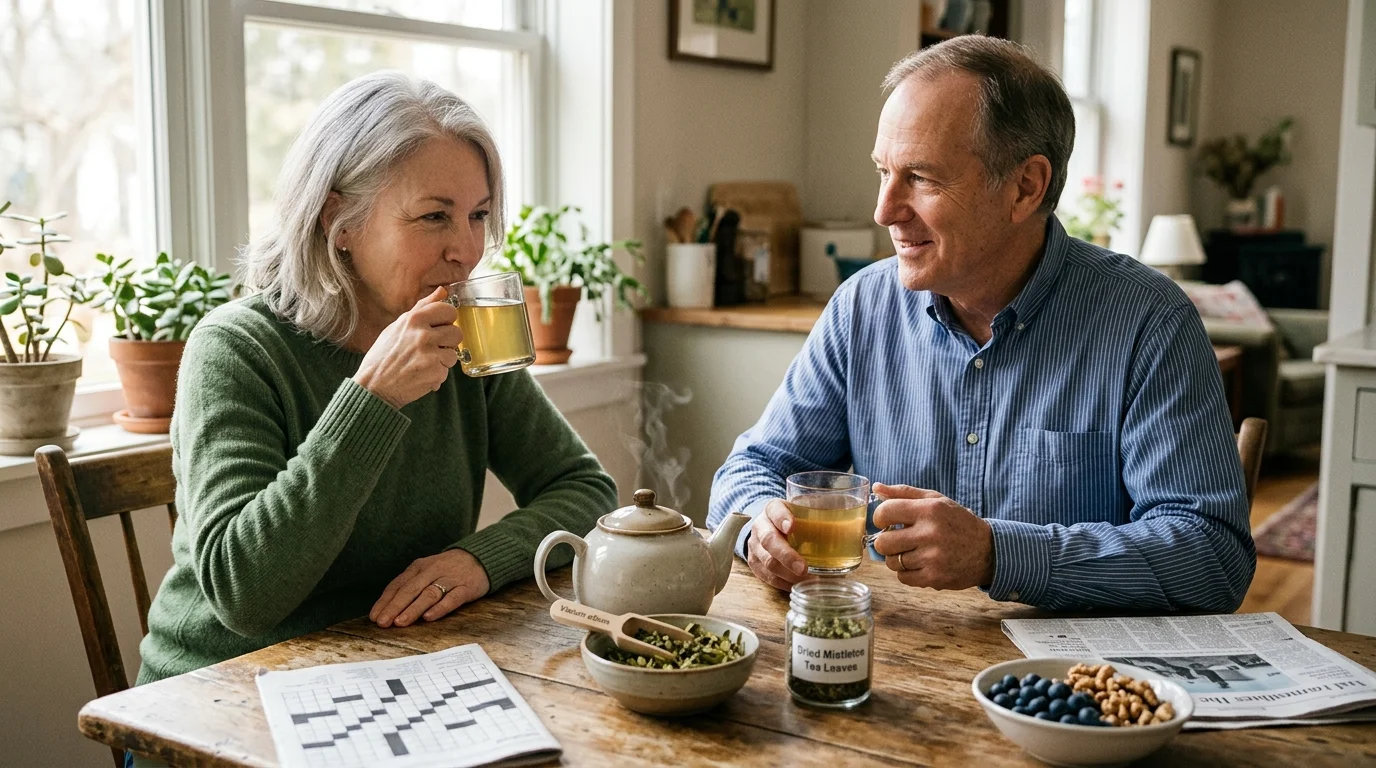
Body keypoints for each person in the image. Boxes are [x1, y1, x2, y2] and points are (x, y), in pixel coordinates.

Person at [707, 36, 1254, 613]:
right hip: (891, 651)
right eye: (883, 171)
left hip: (1070, 666)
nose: (884, 210)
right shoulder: (861, 307)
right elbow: (751, 468)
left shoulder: (1150, 322)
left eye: (921, 178)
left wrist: (997, 554)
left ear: (1025, 187)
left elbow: (1212, 558)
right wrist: (759, 528)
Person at [136, 72, 616, 692]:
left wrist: (479, 560)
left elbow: (586, 489)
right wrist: (373, 398)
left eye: (478, 215)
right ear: (340, 221)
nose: (466, 249)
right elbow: (243, 594)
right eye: (434, 216)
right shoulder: (237, 348)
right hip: (221, 689)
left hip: (391, 668)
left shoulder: (463, 331)